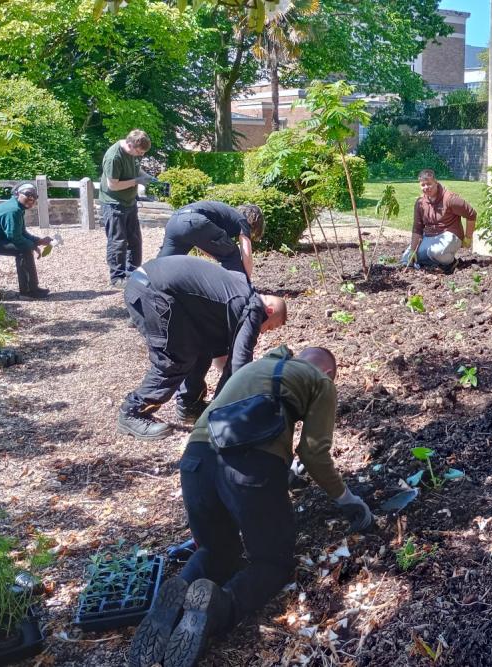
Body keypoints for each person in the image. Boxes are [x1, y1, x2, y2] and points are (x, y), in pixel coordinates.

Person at [128, 344, 373, 667]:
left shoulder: (251, 369)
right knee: (271, 562)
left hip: (195, 462)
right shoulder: (320, 381)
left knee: (217, 550)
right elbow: (313, 452)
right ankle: (219, 609)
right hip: (248, 469)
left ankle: (177, 594)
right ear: (328, 372)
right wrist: (347, 499)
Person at [117, 255, 287, 440]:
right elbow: (239, 364)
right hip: (152, 291)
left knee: (202, 346)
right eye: (269, 327)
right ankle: (132, 412)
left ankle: (190, 405)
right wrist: (226, 412)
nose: (263, 332)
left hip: (152, 285)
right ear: (269, 310)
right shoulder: (253, 308)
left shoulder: (239, 291)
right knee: (173, 359)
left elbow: (221, 354)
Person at [0, 183, 53, 298]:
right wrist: (32, 245)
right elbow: (14, 237)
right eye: (28, 194)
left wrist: (38, 241)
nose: (31, 198)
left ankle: (32, 289)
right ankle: (29, 291)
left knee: (26, 247)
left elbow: (22, 233)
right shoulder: (13, 210)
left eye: (34, 196)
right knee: (24, 249)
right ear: (17, 193)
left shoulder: (18, 207)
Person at [157, 201, 264, 281]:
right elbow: (247, 255)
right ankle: (240, 290)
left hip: (175, 220)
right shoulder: (242, 220)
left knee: (164, 264)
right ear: (254, 221)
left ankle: (149, 285)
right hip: (194, 221)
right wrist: (247, 282)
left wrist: (219, 256)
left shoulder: (225, 215)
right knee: (232, 254)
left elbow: (202, 244)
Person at [100, 129, 154, 288]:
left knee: (135, 240)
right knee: (118, 241)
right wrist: (137, 181)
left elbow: (137, 169)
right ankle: (117, 278)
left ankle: (133, 274)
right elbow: (113, 185)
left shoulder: (133, 153)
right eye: (139, 152)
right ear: (130, 145)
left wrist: (148, 178)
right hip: (113, 203)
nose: (141, 155)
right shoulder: (114, 157)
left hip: (130, 202)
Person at [400, 169, 477, 273]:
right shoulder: (420, 203)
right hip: (429, 236)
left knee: (436, 252)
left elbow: (471, 214)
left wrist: (468, 238)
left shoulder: (450, 199)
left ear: (436, 182)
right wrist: (413, 250)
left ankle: (451, 263)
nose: (426, 188)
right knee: (406, 258)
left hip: (449, 234)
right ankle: (434, 263)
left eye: (429, 184)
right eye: (423, 185)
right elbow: (417, 228)